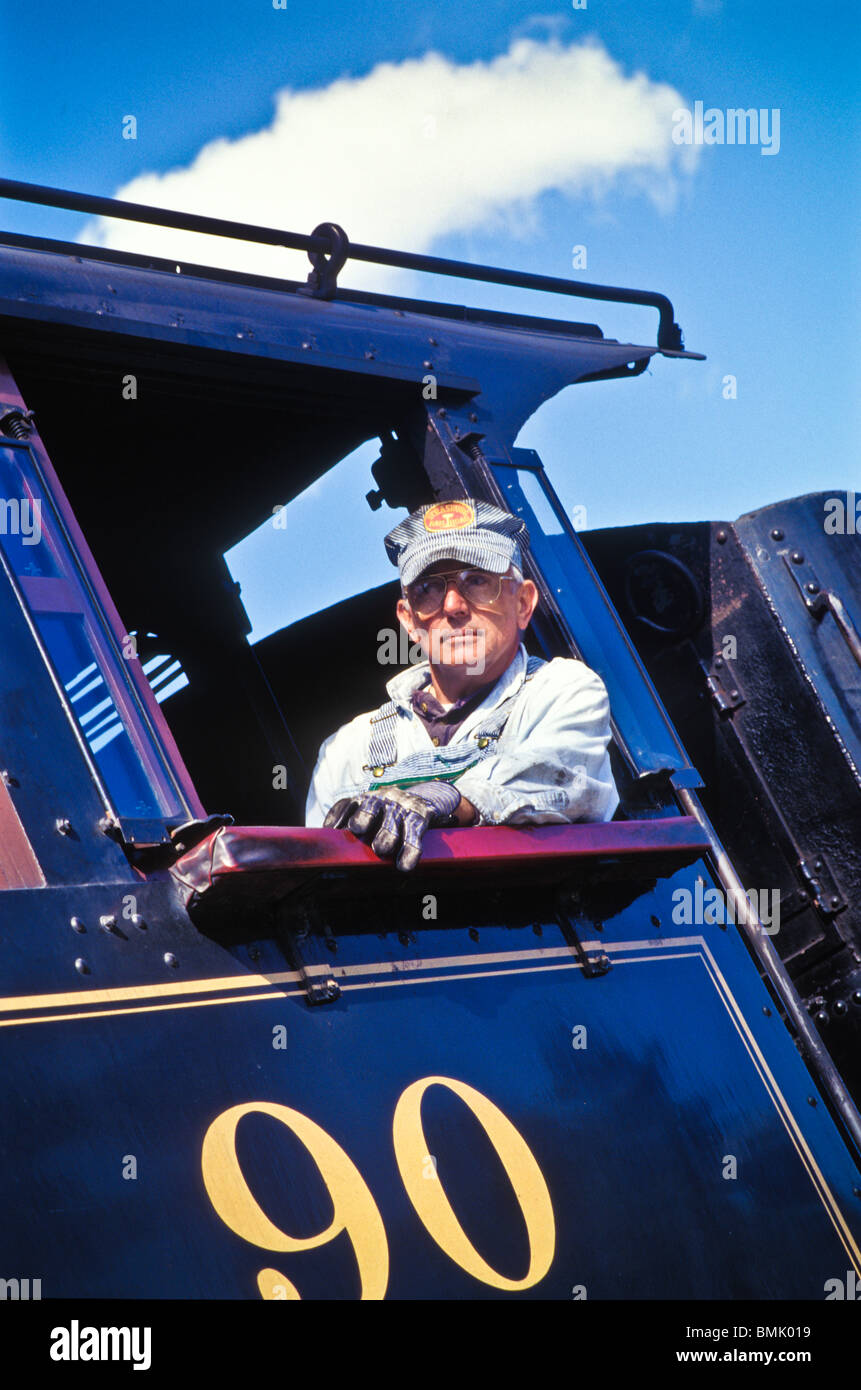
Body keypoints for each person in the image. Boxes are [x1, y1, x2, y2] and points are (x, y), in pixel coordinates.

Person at [305, 498, 618, 870]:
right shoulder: (347, 749)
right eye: (429, 589)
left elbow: (555, 778)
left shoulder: (563, 691)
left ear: (523, 603)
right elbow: (323, 876)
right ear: (408, 620)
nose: (453, 606)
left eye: (478, 581)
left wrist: (448, 798)